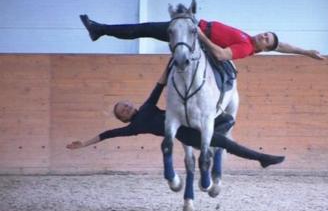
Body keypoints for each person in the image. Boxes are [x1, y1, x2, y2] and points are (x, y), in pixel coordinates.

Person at [66, 67, 285, 170]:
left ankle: (215, 155)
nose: (125, 107)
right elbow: (106, 135)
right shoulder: (134, 127)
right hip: (187, 134)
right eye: (122, 111)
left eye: (124, 104)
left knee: (225, 118)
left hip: (190, 121)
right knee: (226, 143)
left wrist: (174, 61)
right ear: (124, 119)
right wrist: (84, 144)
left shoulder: (147, 106)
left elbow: (159, 85)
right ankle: (262, 158)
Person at [79, 14, 325, 61]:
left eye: (266, 39)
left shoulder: (245, 48)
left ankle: (99, 30)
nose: (264, 35)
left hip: (194, 33)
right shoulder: (250, 39)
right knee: (144, 28)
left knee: (144, 29)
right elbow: (280, 45)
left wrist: (199, 34)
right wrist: (305, 51)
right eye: (266, 33)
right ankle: (99, 30)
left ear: (263, 48)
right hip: (193, 27)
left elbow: (221, 54)